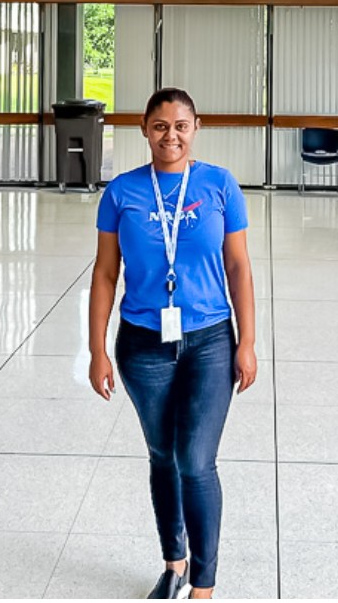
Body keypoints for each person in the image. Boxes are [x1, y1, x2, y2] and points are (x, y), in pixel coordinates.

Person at [88, 87, 258, 600]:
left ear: (196, 128)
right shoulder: (122, 192)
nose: (171, 136)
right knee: (163, 455)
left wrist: (246, 341)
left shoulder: (219, 185)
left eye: (181, 125)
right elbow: (104, 274)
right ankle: (174, 563)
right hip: (143, 344)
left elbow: (239, 267)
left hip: (208, 339)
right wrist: (97, 349)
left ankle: (204, 585)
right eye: (160, 126)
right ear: (144, 129)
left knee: (196, 461)